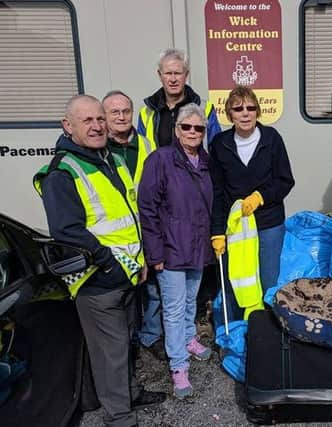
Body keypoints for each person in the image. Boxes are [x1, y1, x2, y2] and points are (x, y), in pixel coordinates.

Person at [34, 95, 165, 427]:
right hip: (98, 279)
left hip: (127, 273)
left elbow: (128, 216)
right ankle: (120, 418)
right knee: (110, 354)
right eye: (87, 121)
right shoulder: (62, 172)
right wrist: (109, 262)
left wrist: (141, 258)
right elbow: (67, 230)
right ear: (68, 126)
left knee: (126, 343)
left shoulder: (110, 159)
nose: (96, 126)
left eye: (99, 119)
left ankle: (131, 393)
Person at [137, 48, 221, 340]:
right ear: (159, 75)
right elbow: (141, 153)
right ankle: (153, 337)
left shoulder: (203, 109)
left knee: (187, 292)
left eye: (178, 73)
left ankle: (184, 336)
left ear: (187, 76)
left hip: (192, 209)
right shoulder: (147, 111)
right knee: (159, 285)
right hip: (162, 203)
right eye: (168, 73)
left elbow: (216, 152)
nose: (173, 78)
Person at [137, 103, 213, 399]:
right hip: (170, 249)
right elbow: (148, 207)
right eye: (187, 127)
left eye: (199, 128)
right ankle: (178, 366)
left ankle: (189, 338)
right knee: (173, 306)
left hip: (196, 246)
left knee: (191, 300)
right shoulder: (161, 159)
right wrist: (154, 254)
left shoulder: (205, 161)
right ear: (176, 130)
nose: (193, 132)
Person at [209, 85, 294, 318]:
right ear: (229, 115)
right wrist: (217, 232)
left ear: (258, 111)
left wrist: (261, 197)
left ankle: (267, 334)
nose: (245, 113)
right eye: (238, 108)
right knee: (237, 283)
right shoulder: (219, 144)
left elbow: (285, 180)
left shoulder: (272, 139)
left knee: (267, 282)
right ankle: (238, 334)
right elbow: (216, 192)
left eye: (250, 107)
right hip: (234, 227)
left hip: (268, 224)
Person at [101, 90, 167, 361]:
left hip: (146, 228)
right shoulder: (98, 149)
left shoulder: (147, 146)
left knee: (153, 287)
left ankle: (151, 336)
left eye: (126, 111)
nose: (121, 117)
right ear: (104, 117)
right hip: (114, 238)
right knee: (122, 295)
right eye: (114, 112)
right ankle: (126, 343)